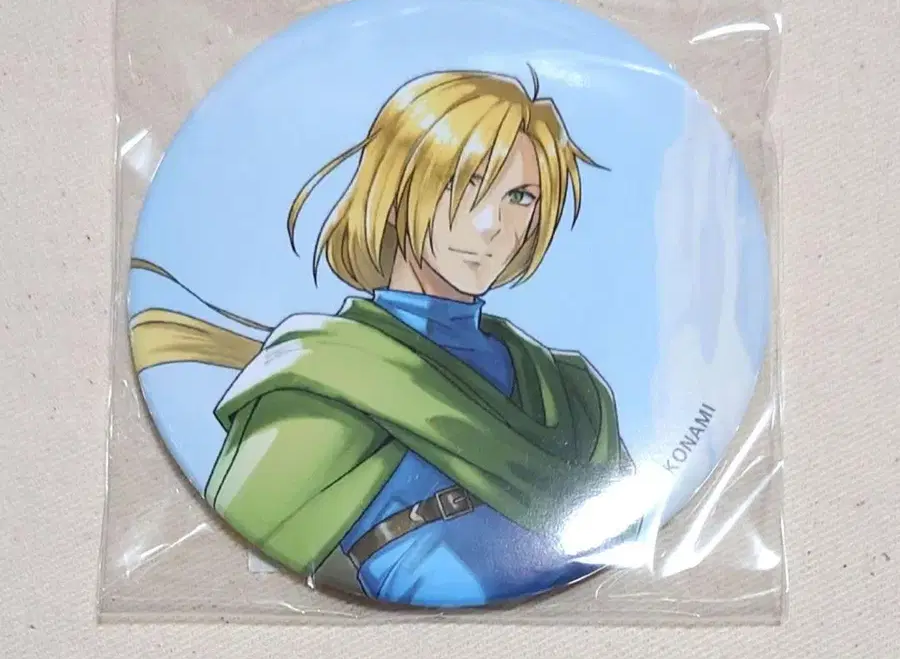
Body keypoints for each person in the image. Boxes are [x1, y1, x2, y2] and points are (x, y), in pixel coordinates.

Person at [130, 68, 640, 607]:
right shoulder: (322, 374)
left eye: (519, 196)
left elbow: (625, 534)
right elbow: (230, 564)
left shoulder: (573, 393)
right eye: (462, 184)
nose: (492, 223)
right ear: (396, 190)